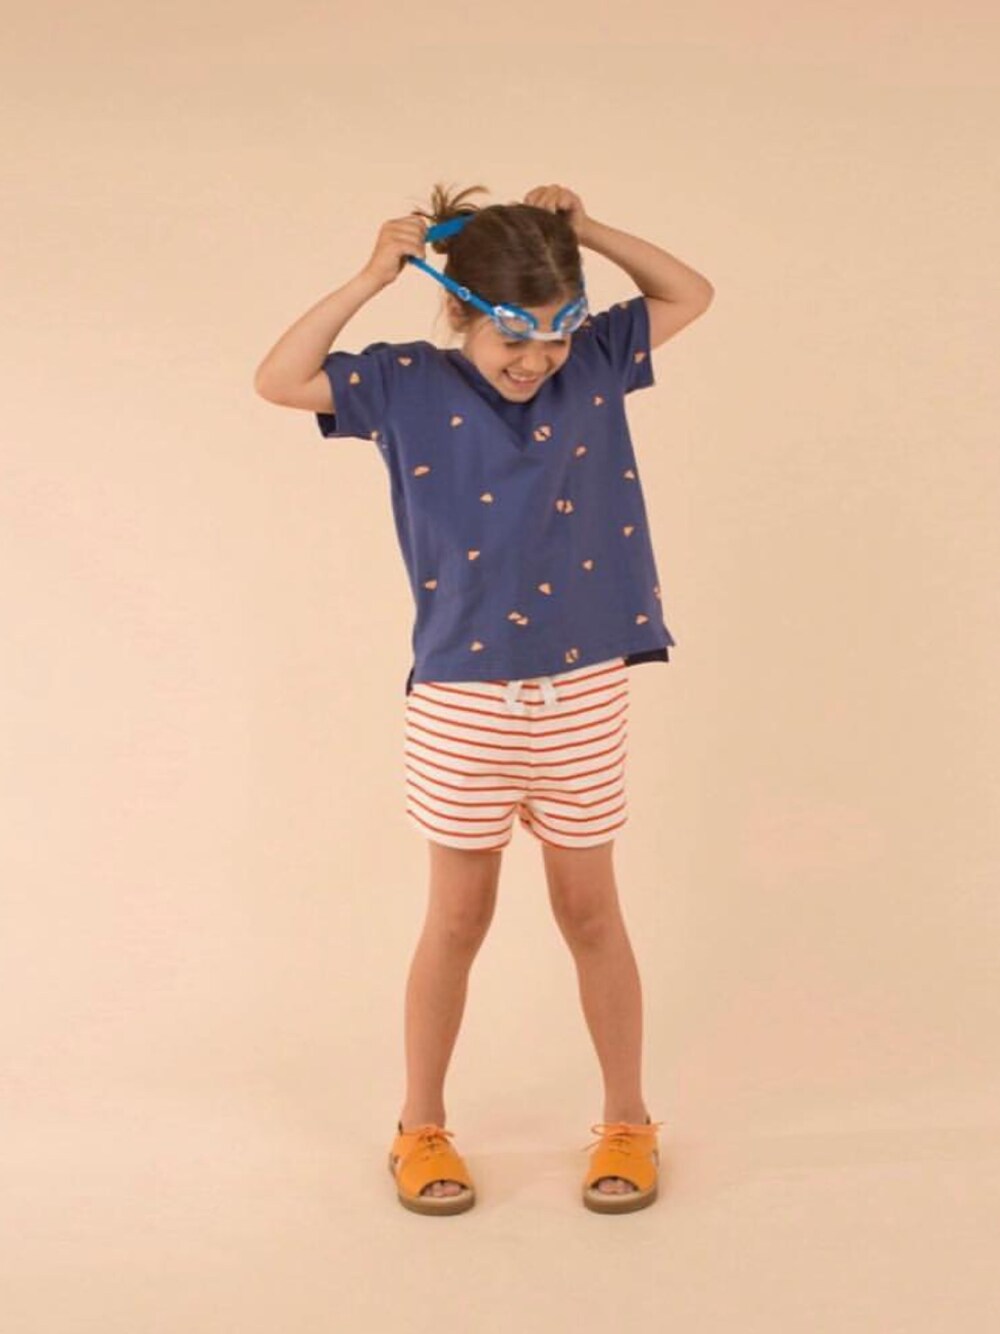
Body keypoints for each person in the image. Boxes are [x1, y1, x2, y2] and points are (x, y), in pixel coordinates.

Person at [254, 182, 714, 1215]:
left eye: (555, 333)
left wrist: (585, 230)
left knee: (590, 910)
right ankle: (420, 1126)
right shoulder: (400, 382)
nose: (537, 358)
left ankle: (628, 1119)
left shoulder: (598, 360)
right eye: (514, 334)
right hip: (460, 694)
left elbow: (690, 293)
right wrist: (371, 277)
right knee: (457, 918)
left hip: (584, 687)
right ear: (458, 309)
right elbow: (278, 379)